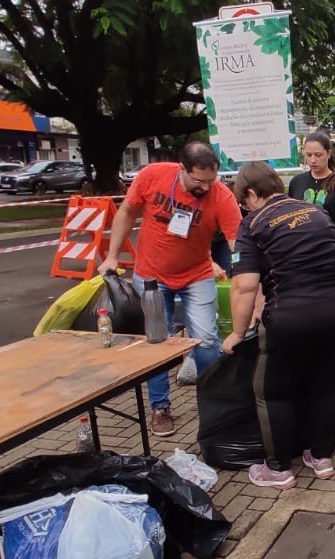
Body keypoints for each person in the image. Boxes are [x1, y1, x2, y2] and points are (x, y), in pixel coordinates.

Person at [223, 162, 335, 489]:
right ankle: (321, 459)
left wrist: (235, 333)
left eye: (243, 202)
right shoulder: (314, 211)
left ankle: (278, 470)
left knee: (272, 392)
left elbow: (244, 286)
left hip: (293, 313)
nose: (244, 208)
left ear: (250, 194)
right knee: (328, 383)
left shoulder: (253, 223)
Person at [99, 142, 242, 436]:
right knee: (157, 342)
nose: (205, 187)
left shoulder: (221, 196)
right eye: (198, 181)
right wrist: (112, 255)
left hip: (197, 274)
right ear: (182, 170)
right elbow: (127, 212)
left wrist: (243, 273)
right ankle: (160, 408)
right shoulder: (153, 176)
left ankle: (213, 401)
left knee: (205, 339)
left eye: (210, 180)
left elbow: (236, 242)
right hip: (151, 275)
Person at [288, 131, 335, 255]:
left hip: (330, 252)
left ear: (328, 154)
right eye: (308, 155)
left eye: (318, 155)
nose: (313, 160)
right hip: (301, 252)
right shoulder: (297, 182)